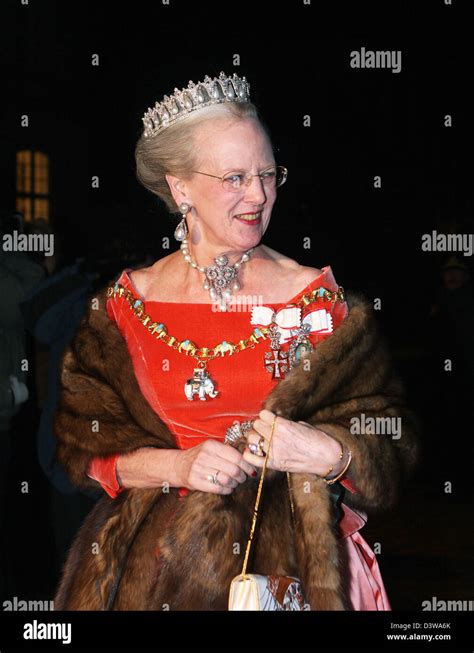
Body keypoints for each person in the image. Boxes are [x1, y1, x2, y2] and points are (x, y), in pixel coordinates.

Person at [52, 72, 420, 611]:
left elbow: (389, 439)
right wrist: (176, 466)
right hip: (151, 574)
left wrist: (328, 451)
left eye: (268, 174)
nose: (259, 195)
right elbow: (85, 452)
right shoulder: (126, 305)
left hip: (295, 572)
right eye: (234, 177)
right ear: (180, 188)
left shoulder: (313, 297)